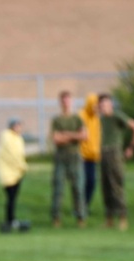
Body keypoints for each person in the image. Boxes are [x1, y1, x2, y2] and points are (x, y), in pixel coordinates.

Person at [98, 93, 134, 231]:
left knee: (116, 185)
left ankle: (123, 218)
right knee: (105, 187)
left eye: (105, 104)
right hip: (103, 153)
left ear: (110, 104)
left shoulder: (117, 115)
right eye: (101, 105)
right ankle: (109, 219)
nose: (103, 107)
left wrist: (131, 148)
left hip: (114, 153)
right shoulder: (101, 119)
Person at [49, 91, 87, 228]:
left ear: (71, 101)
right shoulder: (57, 120)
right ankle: (56, 218)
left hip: (75, 156)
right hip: (60, 156)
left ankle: (81, 217)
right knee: (58, 187)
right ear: (60, 102)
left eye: (68, 100)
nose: (66, 102)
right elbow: (56, 139)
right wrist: (74, 136)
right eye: (63, 100)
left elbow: (84, 136)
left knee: (78, 188)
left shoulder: (77, 119)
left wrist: (66, 134)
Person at [0, 119, 29, 233]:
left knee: (13, 198)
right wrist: (23, 166)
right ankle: (10, 220)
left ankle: (12, 220)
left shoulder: (18, 138)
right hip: (8, 173)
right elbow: (12, 155)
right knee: (11, 198)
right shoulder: (7, 137)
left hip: (16, 173)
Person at [79, 93, 102, 210]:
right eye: (95, 105)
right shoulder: (81, 115)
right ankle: (80, 206)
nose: (96, 108)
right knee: (82, 182)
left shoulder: (97, 118)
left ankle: (85, 205)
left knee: (92, 182)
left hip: (93, 156)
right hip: (82, 156)